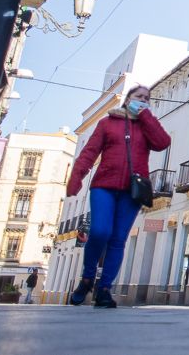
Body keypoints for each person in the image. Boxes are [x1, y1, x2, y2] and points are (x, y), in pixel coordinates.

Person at [65, 82, 170, 308]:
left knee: (118, 240)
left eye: (147, 98)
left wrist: (146, 118)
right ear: (128, 99)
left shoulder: (147, 126)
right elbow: (89, 152)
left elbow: (163, 143)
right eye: (138, 96)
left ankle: (104, 289)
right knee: (100, 231)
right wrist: (76, 178)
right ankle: (87, 278)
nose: (143, 100)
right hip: (104, 185)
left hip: (132, 191)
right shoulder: (107, 123)